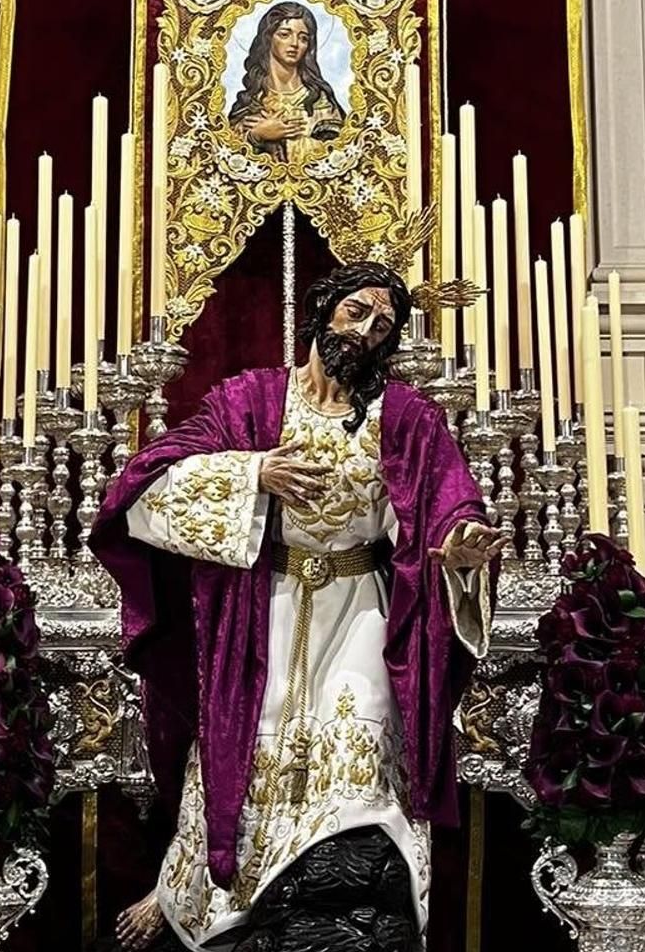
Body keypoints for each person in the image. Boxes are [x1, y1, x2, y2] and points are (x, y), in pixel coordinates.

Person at [92, 262, 505, 952]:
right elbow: (146, 485)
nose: (368, 330)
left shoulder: (405, 416)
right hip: (265, 612)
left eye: (384, 323)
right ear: (321, 311)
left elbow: (449, 503)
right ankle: (199, 896)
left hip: (362, 617)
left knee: (360, 758)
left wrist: (460, 548)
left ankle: (348, 902)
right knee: (243, 753)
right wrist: (253, 472)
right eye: (357, 311)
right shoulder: (249, 402)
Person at [228, 1, 347, 162]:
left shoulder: (320, 100)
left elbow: (342, 153)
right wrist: (257, 135)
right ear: (268, 39)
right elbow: (225, 154)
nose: (295, 44)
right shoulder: (251, 102)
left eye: (303, 38)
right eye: (285, 34)